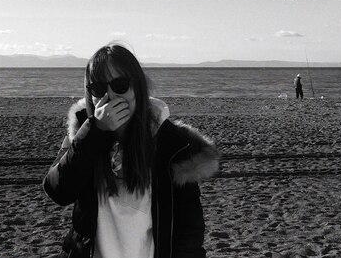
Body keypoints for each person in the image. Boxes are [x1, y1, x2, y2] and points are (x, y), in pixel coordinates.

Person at [43, 43, 219, 258]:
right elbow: (58, 191)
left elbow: (188, 231)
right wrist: (95, 132)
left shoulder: (172, 144)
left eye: (120, 84)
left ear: (138, 86)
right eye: (98, 88)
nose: (110, 96)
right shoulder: (82, 134)